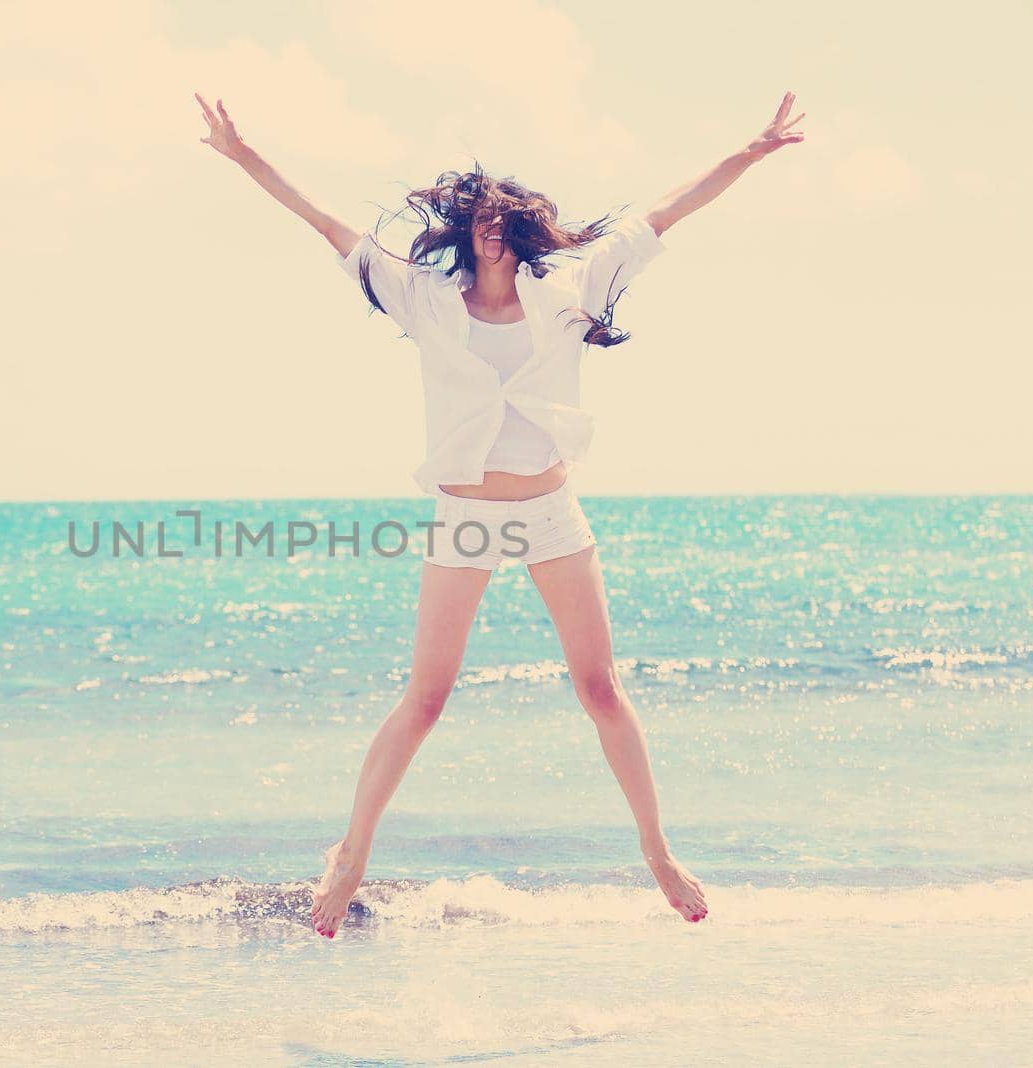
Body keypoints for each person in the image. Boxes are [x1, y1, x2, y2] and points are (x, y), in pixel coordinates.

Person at [194, 90, 806, 938]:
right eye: (478, 219)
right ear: (463, 229)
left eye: (501, 221)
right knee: (428, 698)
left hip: (551, 508)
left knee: (600, 688)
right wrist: (244, 155)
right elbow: (327, 223)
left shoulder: (572, 285)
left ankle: (658, 852)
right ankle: (351, 856)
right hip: (468, 515)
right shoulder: (422, 298)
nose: (489, 231)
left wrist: (751, 151)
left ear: (518, 233)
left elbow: (667, 213)